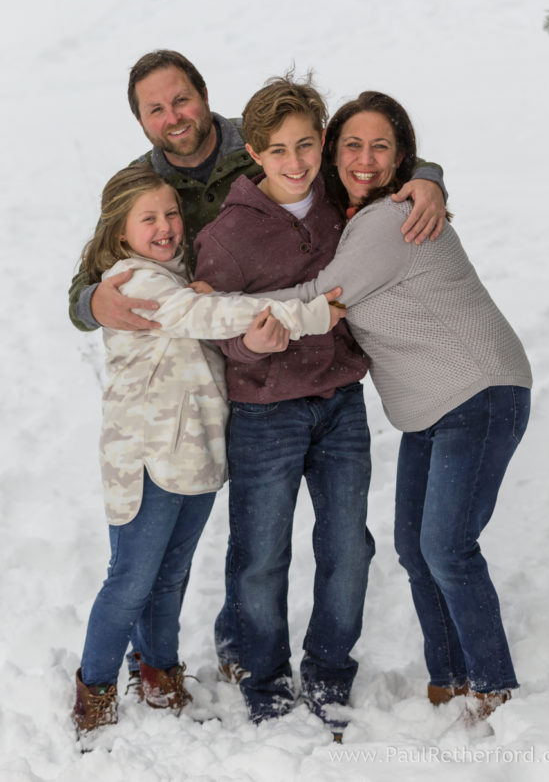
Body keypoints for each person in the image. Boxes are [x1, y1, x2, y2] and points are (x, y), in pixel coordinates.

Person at [252, 91, 532, 726]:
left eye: (381, 146)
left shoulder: (389, 219)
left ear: (402, 155)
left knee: (447, 546)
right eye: (351, 144)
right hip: (436, 405)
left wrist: (223, 303)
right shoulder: (360, 212)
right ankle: (449, 678)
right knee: (415, 543)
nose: (365, 158)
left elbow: (320, 296)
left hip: (478, 391)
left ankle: (493, 686)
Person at [72, 163, 343, 740]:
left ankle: (158, 672)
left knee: (170, 579)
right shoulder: (134, 282)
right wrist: (308, 314)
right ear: (121, 232)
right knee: (130, 581)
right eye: (149, 218)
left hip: (193, 457)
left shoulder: (178, 278)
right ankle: (94, 686)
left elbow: (205, 314)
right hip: (147, 458)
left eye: (172, 213)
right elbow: (207, 315)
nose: (166, 226)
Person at [192, 76, 379, 734]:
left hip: (340, 402)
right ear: (255, 156)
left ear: (322, 142)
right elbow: (210, 322)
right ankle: (263, 672)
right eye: (278, 151)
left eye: (306, 145)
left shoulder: (340, 201)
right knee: (262, 552)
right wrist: (247, 344)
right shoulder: (228, 237)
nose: (295, 162)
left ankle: (329, 668)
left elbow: (400, 160)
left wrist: (429, 182)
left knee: (347, 545)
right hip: (265, 413)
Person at [68, 49, 448, 335]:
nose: (173, 117)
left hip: (296, 330)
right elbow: (91, 269)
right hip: (204, 353)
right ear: (140, 120)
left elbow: (360, 160)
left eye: (182, 100)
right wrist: (91, 303)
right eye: (156, 109)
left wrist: (427, 178)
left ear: (203, 94)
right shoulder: (140, 184)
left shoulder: (265, 141)